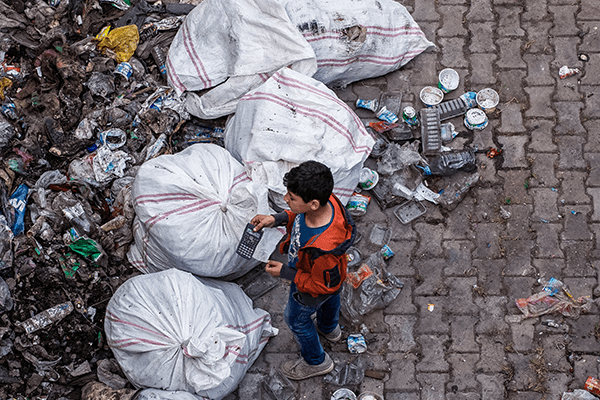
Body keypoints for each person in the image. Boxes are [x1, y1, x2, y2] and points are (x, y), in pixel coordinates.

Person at [252, 161, 356, 380]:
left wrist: (286, 273)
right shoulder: (328, 203)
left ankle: (316, 362)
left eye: (291, 198)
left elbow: (321, 285)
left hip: (313, 284)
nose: (285, 200)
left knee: (296, 319)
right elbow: (298, 219)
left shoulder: (324, 250)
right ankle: (329, 328)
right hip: (324, 280)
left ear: (314, 204)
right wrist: (276, 219)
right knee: (330, 299)